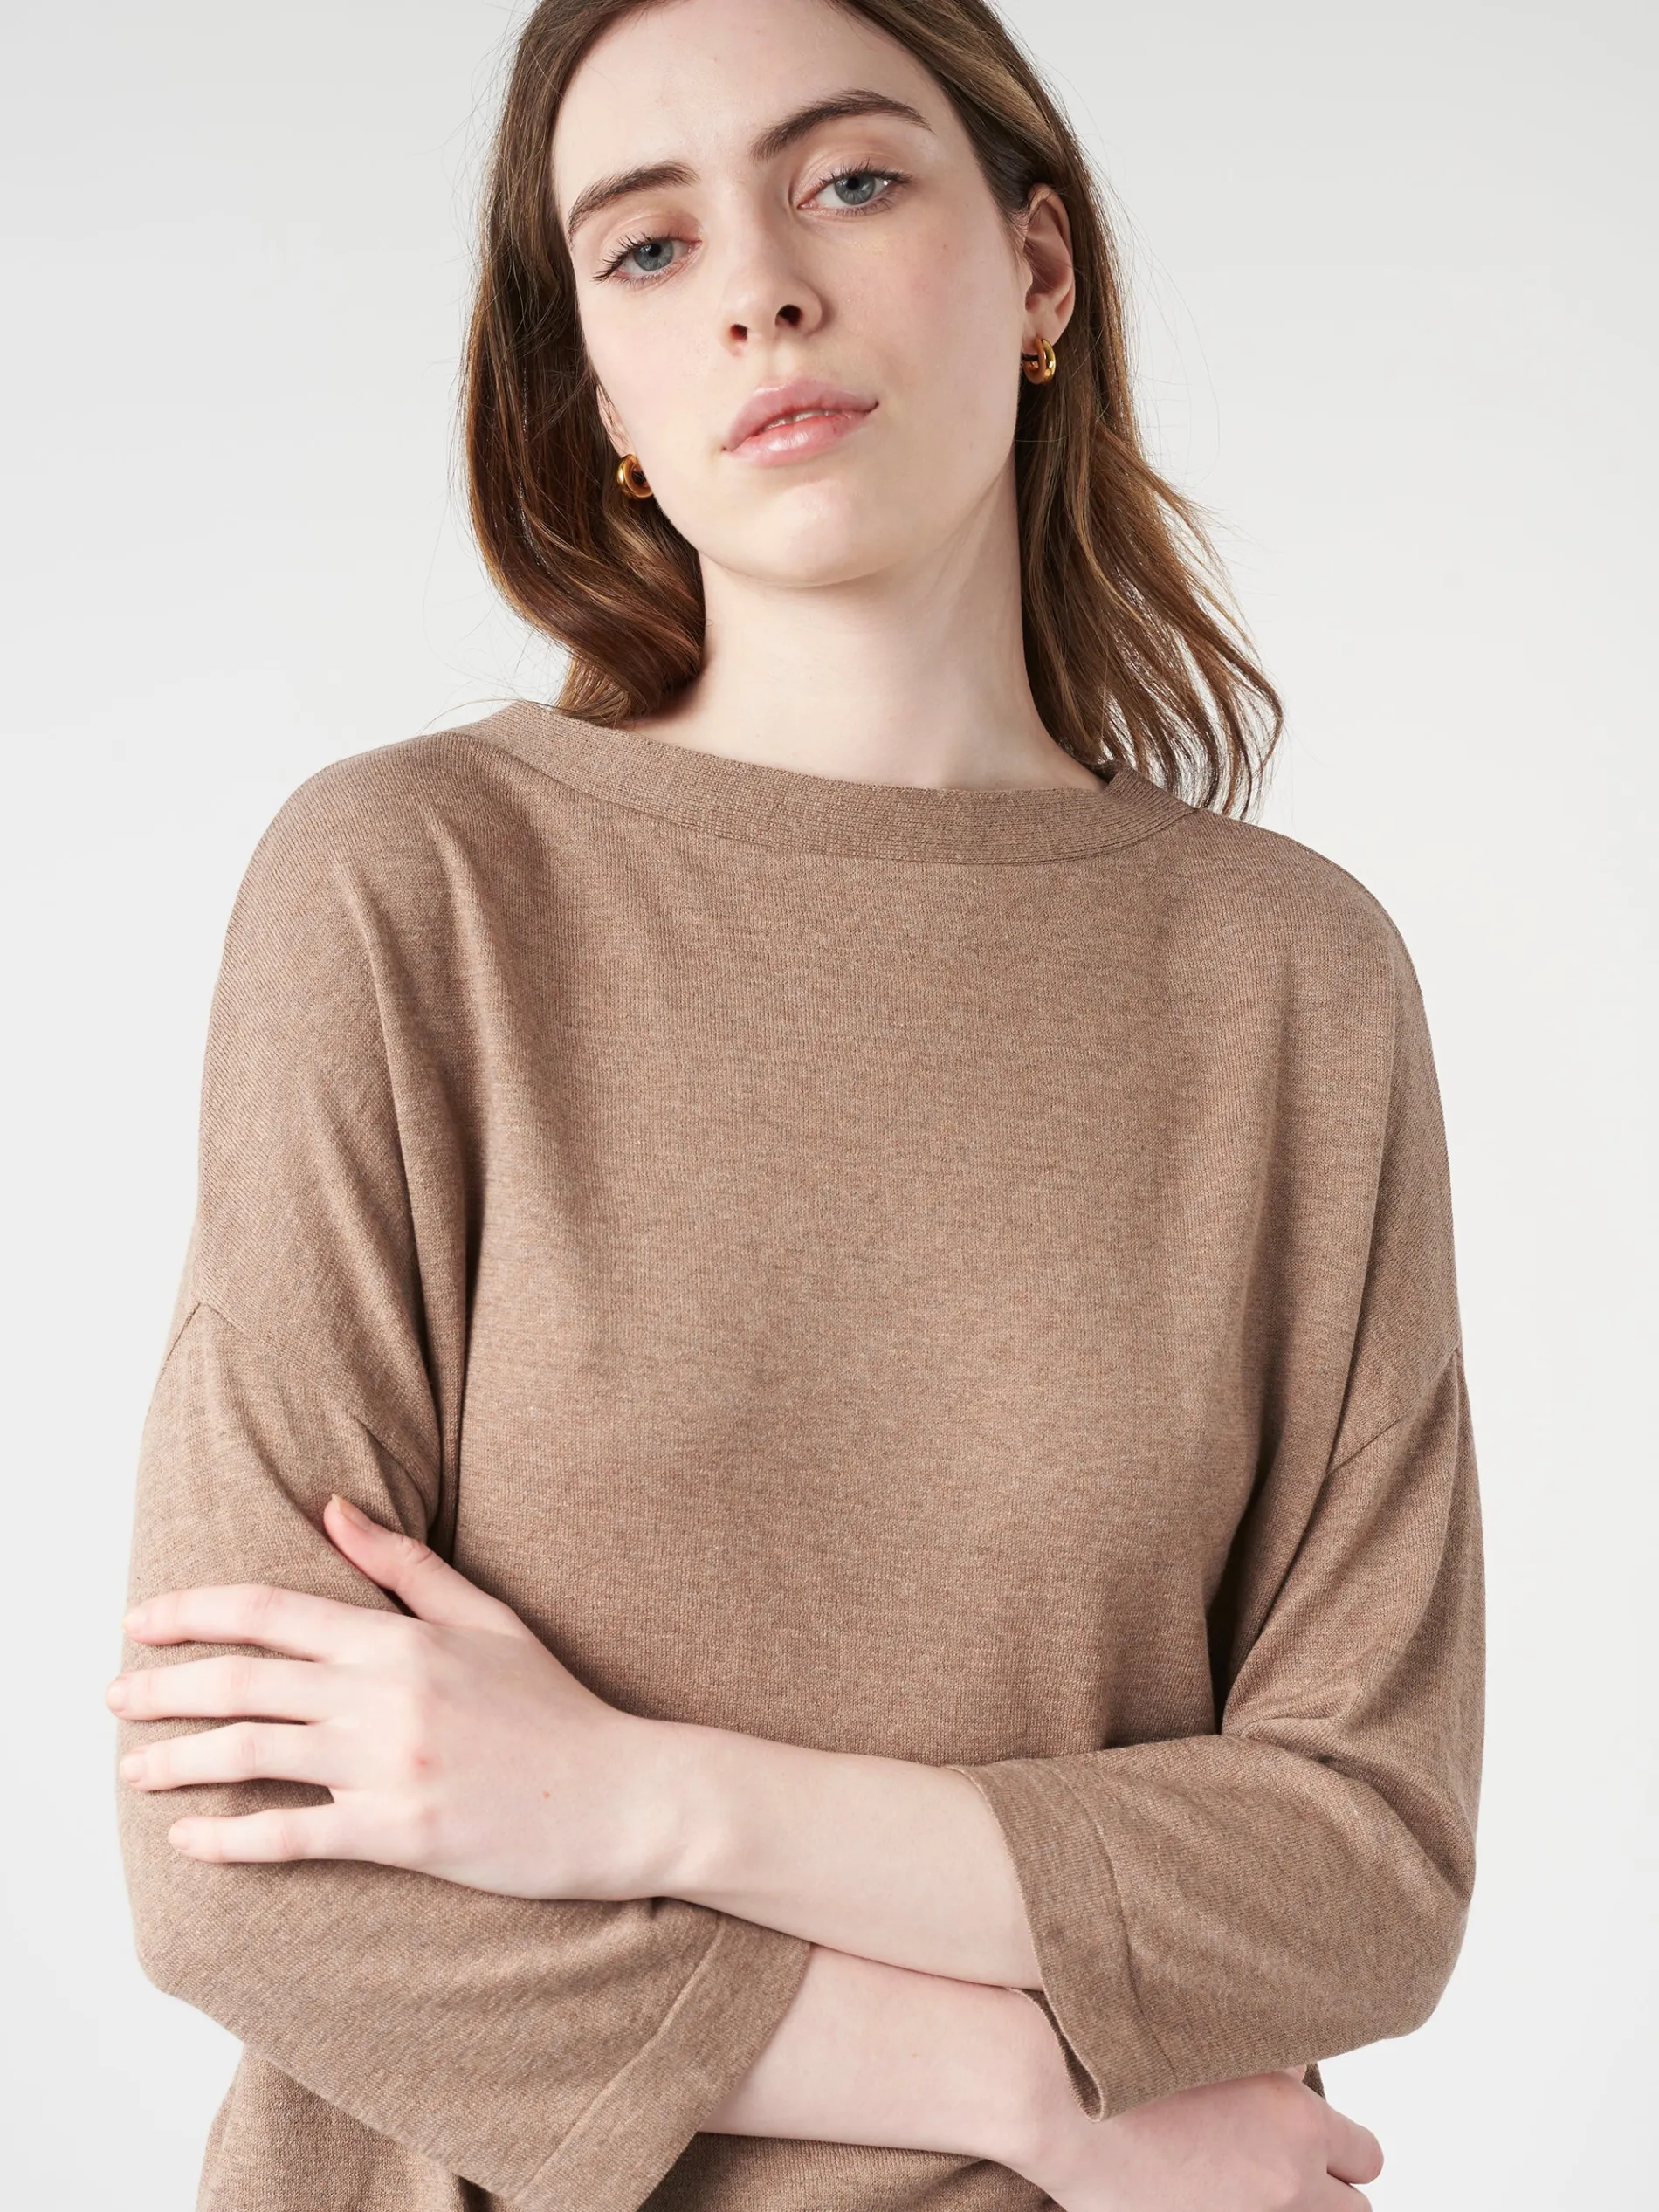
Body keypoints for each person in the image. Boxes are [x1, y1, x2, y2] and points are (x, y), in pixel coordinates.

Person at [109, 2, 1483, 2208]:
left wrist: (640, 1797)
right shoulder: (418, 892)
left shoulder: (1286, 977)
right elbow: (245, 1849)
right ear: (600, 396)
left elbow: (1362, 1870)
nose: (757, 286)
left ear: (1036, 268)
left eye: (846, 180)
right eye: (646, 248)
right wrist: (1027, 2087)